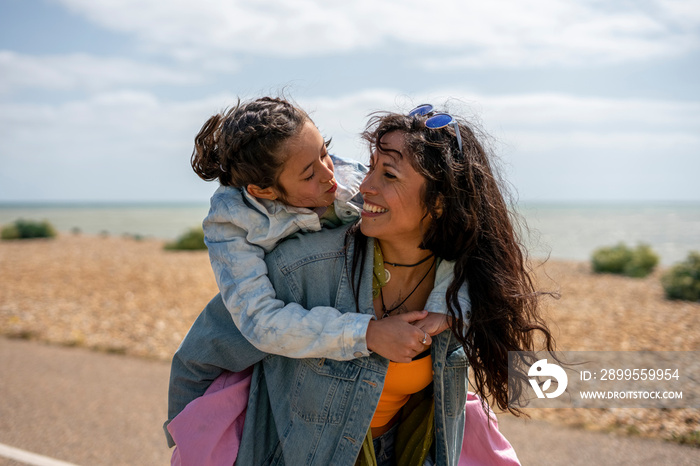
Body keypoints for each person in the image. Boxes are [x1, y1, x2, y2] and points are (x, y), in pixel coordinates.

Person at [166, 104, 554, 465]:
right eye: (372, 168)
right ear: (264, 191)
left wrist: (448, 313)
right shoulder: (290, 266)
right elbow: (222, 341)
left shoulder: (457, 278)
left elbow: (485, 281)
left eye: (387, 173)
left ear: (440, 204)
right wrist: (366, 334)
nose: (357, 184)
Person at [190, 96, 449, 366]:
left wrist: (447, 305)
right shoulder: (231, 223)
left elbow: (456, 232)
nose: (328, 175)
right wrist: (367, 333)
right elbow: (261, 322)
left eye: (324, 152)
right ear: (264, 191)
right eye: (308, 176)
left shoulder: (352, 179)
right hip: (228, 353)